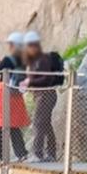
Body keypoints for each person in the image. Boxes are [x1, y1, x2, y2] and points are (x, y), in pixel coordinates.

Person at [22, 33, 65, 161]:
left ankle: (38, 153)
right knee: (45, 124)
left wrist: (30, 82)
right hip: (41, 95)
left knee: (38, 122)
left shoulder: (43, 59)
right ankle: (51, 153)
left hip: (46, 94)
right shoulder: (35, 60)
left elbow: (46, 78)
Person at [0, 33, 30, 161]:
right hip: (16, 96)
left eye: (10, 44)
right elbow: (9, 69)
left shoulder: (8, 60)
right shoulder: (23, 59)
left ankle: (2, 156)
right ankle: (22, 153)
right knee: (14, 126)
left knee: (2, 126)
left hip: (5, 95)